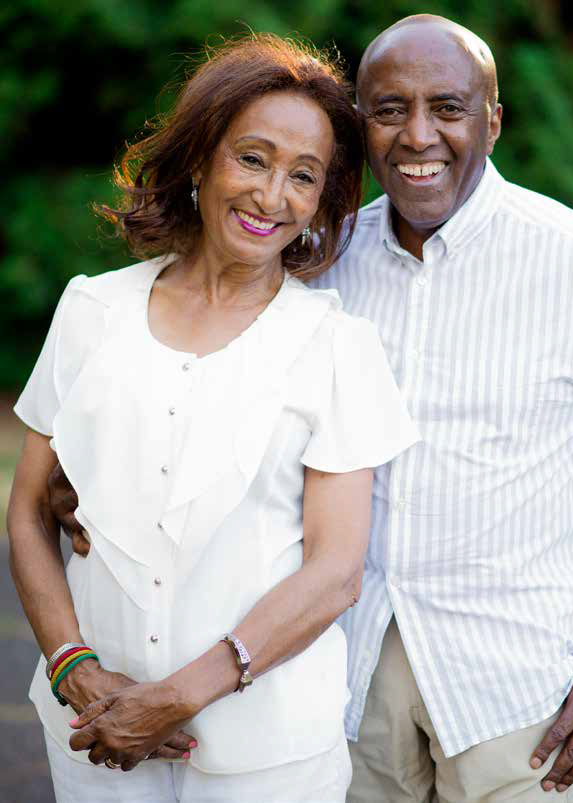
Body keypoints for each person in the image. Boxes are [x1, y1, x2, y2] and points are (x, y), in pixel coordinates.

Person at [43, 13, 573, 801]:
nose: (418, 136)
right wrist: (97, 480)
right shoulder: (318, 263)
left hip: (513, 686)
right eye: (388, 110)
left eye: (448, 108)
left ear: (494, 119)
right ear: (361, 129)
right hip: (347, 680)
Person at [6, 34, 419, 803]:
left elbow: (335, 572)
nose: (272, 197)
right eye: (253, 159)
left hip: (269, 758)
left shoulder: (338, 346)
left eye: (305, 177)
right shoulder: (93, 309)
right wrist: (76, 671)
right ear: (200, 158)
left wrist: (175, 695)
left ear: (323, 200)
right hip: (91, 736)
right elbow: (31, 508)